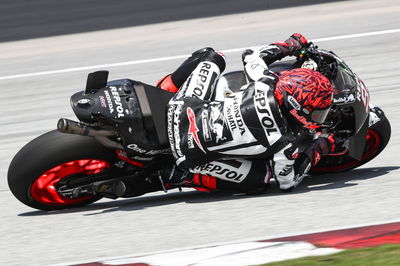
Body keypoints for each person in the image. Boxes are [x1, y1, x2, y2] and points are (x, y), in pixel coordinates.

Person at [103, 33, 337, 198]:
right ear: (296, 105)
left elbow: (251, 56)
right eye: (317, 111)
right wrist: (320, 148)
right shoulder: (285, 144)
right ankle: (179, 176)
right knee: (263, 179)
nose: (319, 115)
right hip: (189, 153)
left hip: (181, 109)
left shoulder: (267, 82)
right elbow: (288, 182)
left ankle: (165, 89)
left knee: (213, 56)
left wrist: (289, 45)